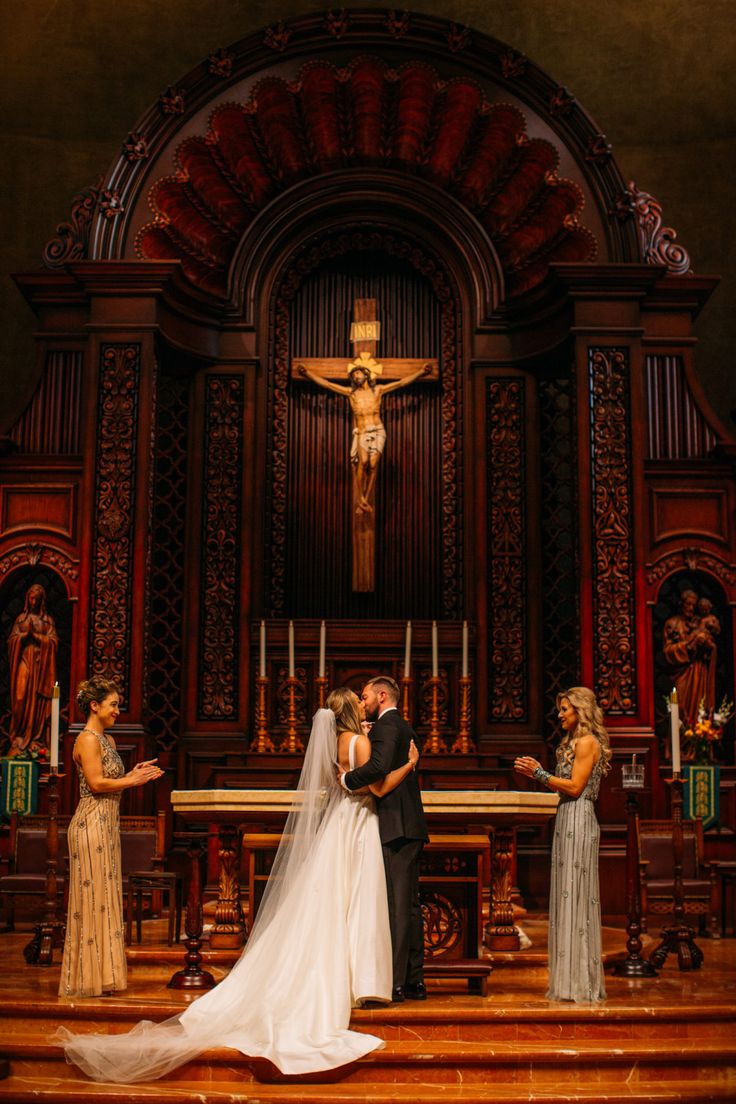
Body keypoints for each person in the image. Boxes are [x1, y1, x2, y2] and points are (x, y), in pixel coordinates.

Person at [60, 689, 418, 1081]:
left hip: (337, 826)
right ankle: (358, 980)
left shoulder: (335, 742)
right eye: (359, 700)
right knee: (357, 902)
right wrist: (409, 764)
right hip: (358, 825)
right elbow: (378, 787)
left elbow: (343, 780)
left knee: (328, 902)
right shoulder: (361, 741)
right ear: (353, 711)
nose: (365, 703)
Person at [58, 676, 163, 998]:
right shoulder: (87, 739)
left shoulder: (109, 741)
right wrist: (132, 781)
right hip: (90, 824)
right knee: (90, 901)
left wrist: (133, 773)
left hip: (107, 825)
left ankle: (100, 975)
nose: (118, 710)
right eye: (113, 704)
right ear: (95, 705)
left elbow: (110, 777)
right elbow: (97, 784)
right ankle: (83, 978)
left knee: (103, 900)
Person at [514, 686, 611, 1003]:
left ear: (580, 711)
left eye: (565, 709)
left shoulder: (586, 743)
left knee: (578, 896)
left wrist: (538, 773)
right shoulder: (570, 744)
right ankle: (568, 981)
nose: (560, 715)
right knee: (566, 894)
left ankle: (581, 981)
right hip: (566, 819)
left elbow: (574, 787)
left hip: (579, 818)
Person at [339, 676, 429, 1003]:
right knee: (408, 904)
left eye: (365, 697)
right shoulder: (396, 727)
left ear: (381, 695)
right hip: (405, 824)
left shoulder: (389, 726)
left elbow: (377, 768)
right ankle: (414, 979)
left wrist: (346, 778)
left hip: (397, 825)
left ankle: (398, 982)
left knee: (397, 905)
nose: (362, 704)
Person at [299, 355, 432, 513]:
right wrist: (307, 373)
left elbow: (401, 383)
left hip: (378, 430)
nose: (356, 376)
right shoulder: (351, 394)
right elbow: (327, 384)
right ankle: (360, 498)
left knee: (373, 464)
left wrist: (421, 372)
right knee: (363, 462)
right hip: (362, 432)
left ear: (366, 374)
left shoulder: (378, 390)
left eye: (358, 373)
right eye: (354, 375)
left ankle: (365, 499)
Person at [7, 583, 58, 756]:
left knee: (38, 702)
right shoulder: (20, 619)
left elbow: (53, 642)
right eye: (31, 598)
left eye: (37, 598)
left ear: (42, 600)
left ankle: (36, 739)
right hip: (24, 662)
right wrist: (22, 637)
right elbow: (12, 641)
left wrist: (35, 637)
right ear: (27, 598)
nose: (34, 601)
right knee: (20, 697)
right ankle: (20, 736)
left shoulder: (47, 621)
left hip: (41, 667)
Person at [663, 589, 718, 727]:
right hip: (682, 674)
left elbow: (712, 646)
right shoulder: (672, 624)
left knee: (700, 710)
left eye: (694, 605)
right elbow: (667, 652)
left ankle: (699, 741)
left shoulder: (701, 623)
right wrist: (688, 646)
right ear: (681, 604)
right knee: (680, 709)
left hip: (699, 673)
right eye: (688, 604)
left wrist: (706, 646)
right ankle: (681, 743)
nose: (691, 608)